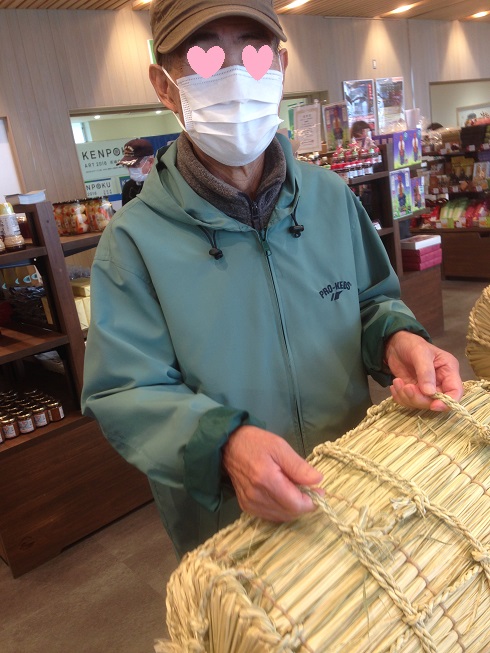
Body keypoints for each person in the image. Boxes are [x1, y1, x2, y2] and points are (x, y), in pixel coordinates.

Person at [81, 0, 463, 559]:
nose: (237, 78)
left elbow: (370, 302)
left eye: (254, 53)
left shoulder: (330, 198)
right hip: (231, 524)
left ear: (280, 68)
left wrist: (396, 339)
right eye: (207, 58)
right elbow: (126, 388)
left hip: (349, 488)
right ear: (164, 86)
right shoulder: (133, 242)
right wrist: (224, 446)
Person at [117, 138, 155, 205]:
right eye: (128, 165)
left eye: (135, 165)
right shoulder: (128, 188)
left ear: (150, 162)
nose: (131, 169)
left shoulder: (165, 183)